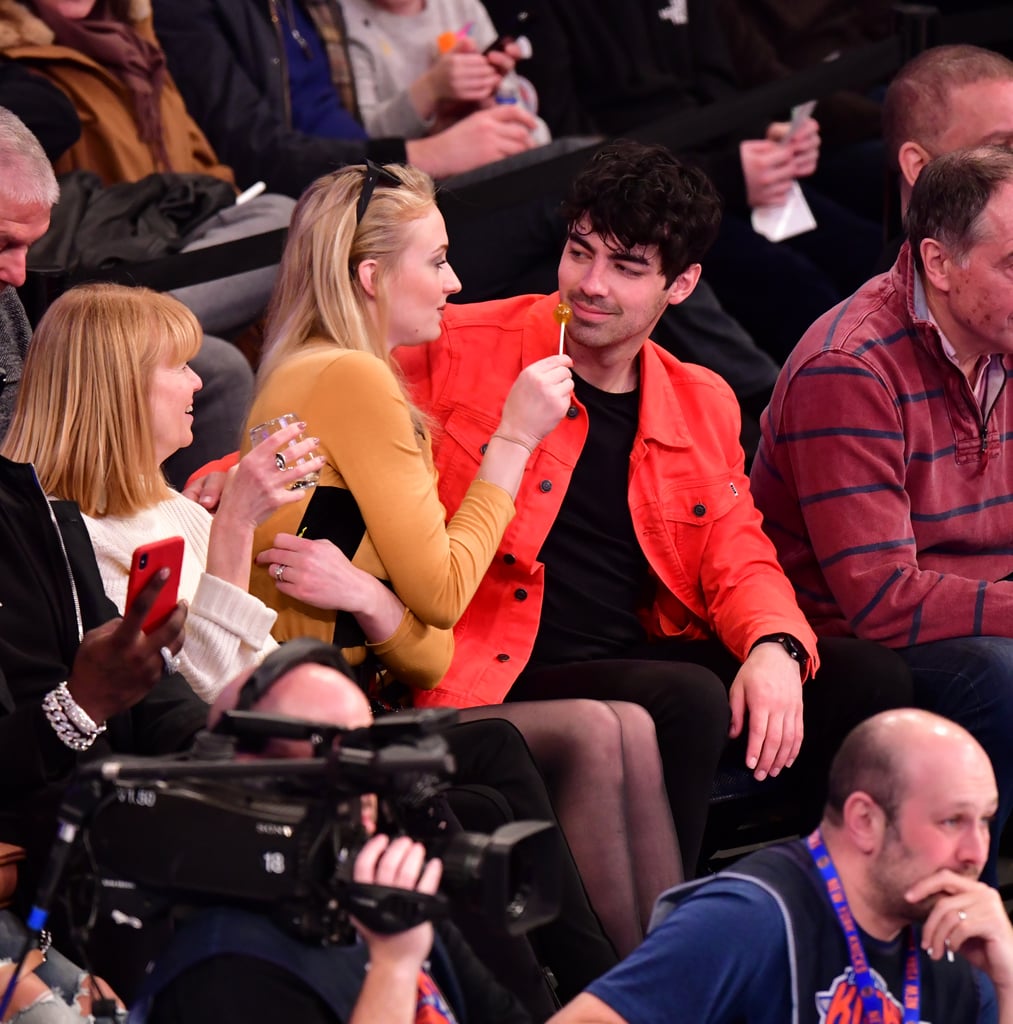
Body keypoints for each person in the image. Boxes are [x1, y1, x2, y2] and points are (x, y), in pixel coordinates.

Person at [396, 139, 913, 882]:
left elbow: (739, 551)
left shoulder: (698, 397)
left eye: (626, 267)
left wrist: (775, 644)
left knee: (866, 676)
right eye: (580, 253)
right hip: (495, 657)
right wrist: (237, 467)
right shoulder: (463, 344)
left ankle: (805, 906)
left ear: (682, 284)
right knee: (686, 695)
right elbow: (331, 393)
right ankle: (673, 926)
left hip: (625, 654)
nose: (590, 284)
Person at [245, 161, 682, 957]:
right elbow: (445, 596)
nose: (454, 281)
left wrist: (378, 607)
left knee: (621, 721)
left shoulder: (322, 366)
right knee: (595, 729)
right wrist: (513, 439)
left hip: (359, 690)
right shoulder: (349, 377)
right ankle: (632, 988)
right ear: (372, 276)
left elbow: (426, 641)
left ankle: (662, 977)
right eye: (437, 260)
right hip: (323, 724)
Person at [751, 69, 1013, 886]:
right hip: (846, 643)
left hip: (978, 607)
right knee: (998, 674)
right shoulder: (850, 366)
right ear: (938, 261)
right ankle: (949, 928)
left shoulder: (1000, 335)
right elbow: (879, 597)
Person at [131, 642, 533, 1024]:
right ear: (254, 786)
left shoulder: (384, 902)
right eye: (344, 770)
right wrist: (393, 966)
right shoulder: (225, 968)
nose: (368, 797)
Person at [549, 708, 1013, 1024]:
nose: (976, 852)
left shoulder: (960, 944)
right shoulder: (748, 917)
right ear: (865, 821)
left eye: (986, 821)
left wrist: (1007, 984)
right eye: (952, 821)